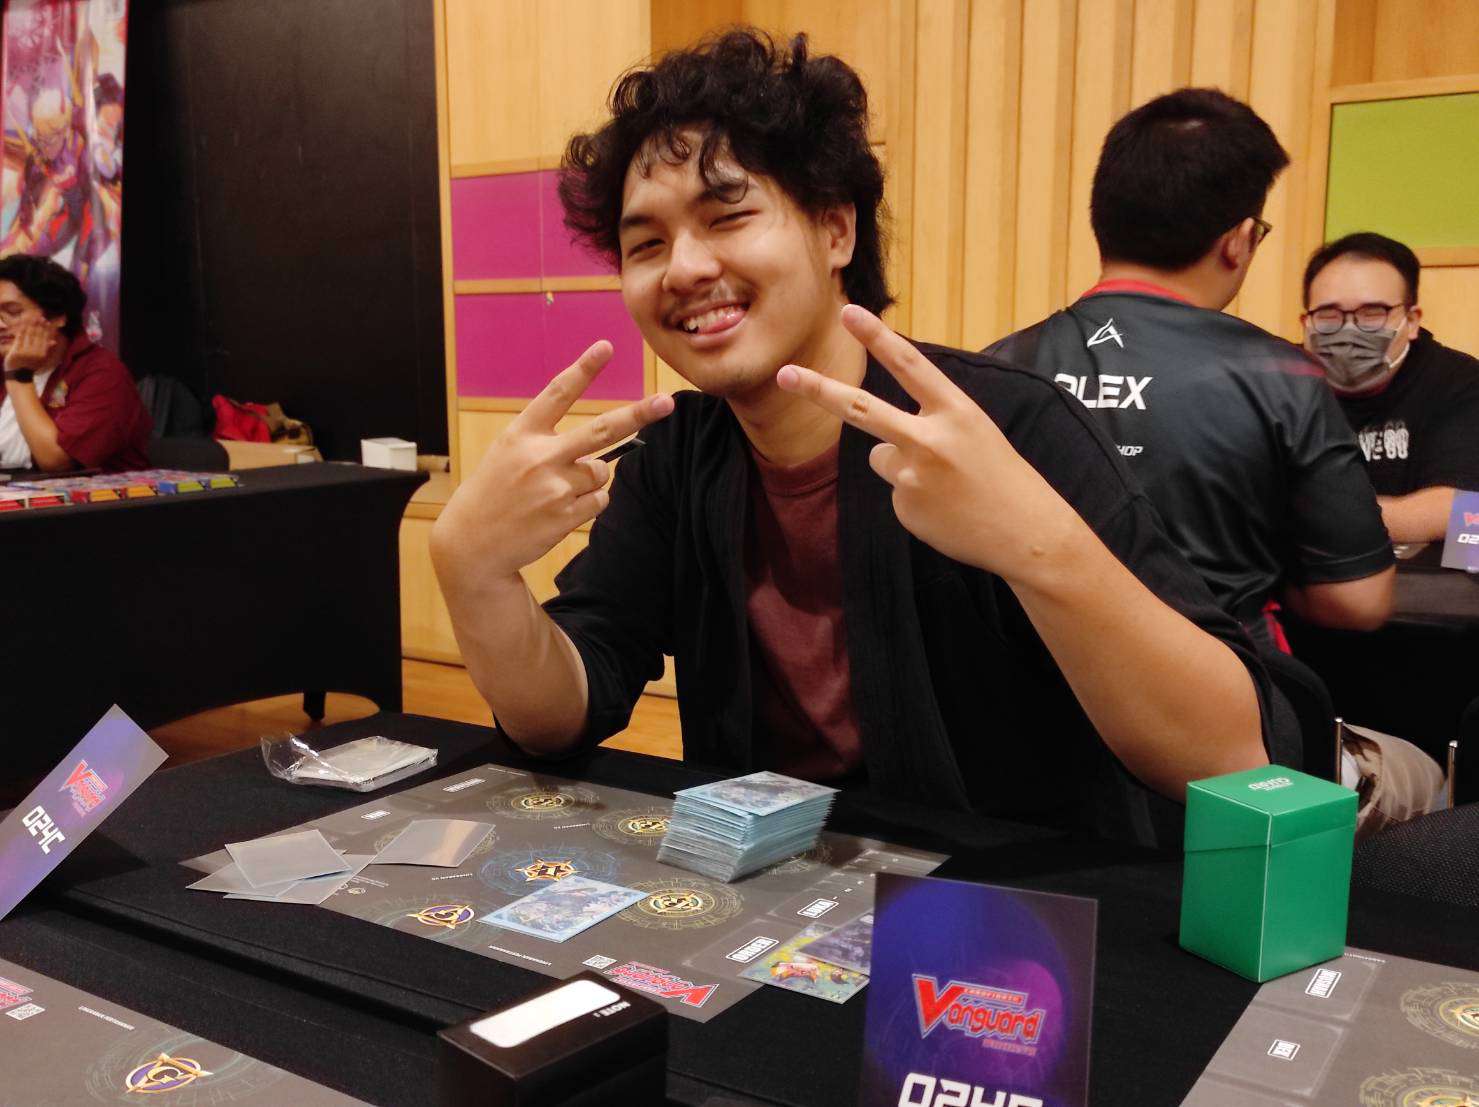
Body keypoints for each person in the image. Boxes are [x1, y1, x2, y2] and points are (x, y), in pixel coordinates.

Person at [432, 32, 1279, 846]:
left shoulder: (1002, 425)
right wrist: (474, 572)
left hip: (1005, 917)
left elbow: (1230, 757)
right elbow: (564, 714)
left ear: (835, 230)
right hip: (765, 901)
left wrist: (1040, 547)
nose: (683, 268)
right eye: (645, 243)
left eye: (728, 215)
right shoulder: (676, 458)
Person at [987, 88, 1394, 654]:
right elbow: (1358, 600)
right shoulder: (1285, 377)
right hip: (1223, 688)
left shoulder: (997, 365)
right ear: (1239, 241)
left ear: (1103, 221)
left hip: (1025, 688)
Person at [1302, 232, 1479, 543]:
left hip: (1425, 567)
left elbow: (1463, 512)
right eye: (1329, 315)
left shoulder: (1460, 380)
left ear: (1411, 320)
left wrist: (1303, 519)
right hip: (1304, 566)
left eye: (1372, 313)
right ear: (1306, 323)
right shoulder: (1276, 383)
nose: (1349, 330)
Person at [0, 253, 150, 472]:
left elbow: (56, 461)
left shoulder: (102, 373)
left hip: (87, 493)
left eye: (13, 312)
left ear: (58, 316)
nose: (1, 324)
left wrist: (19, 376)